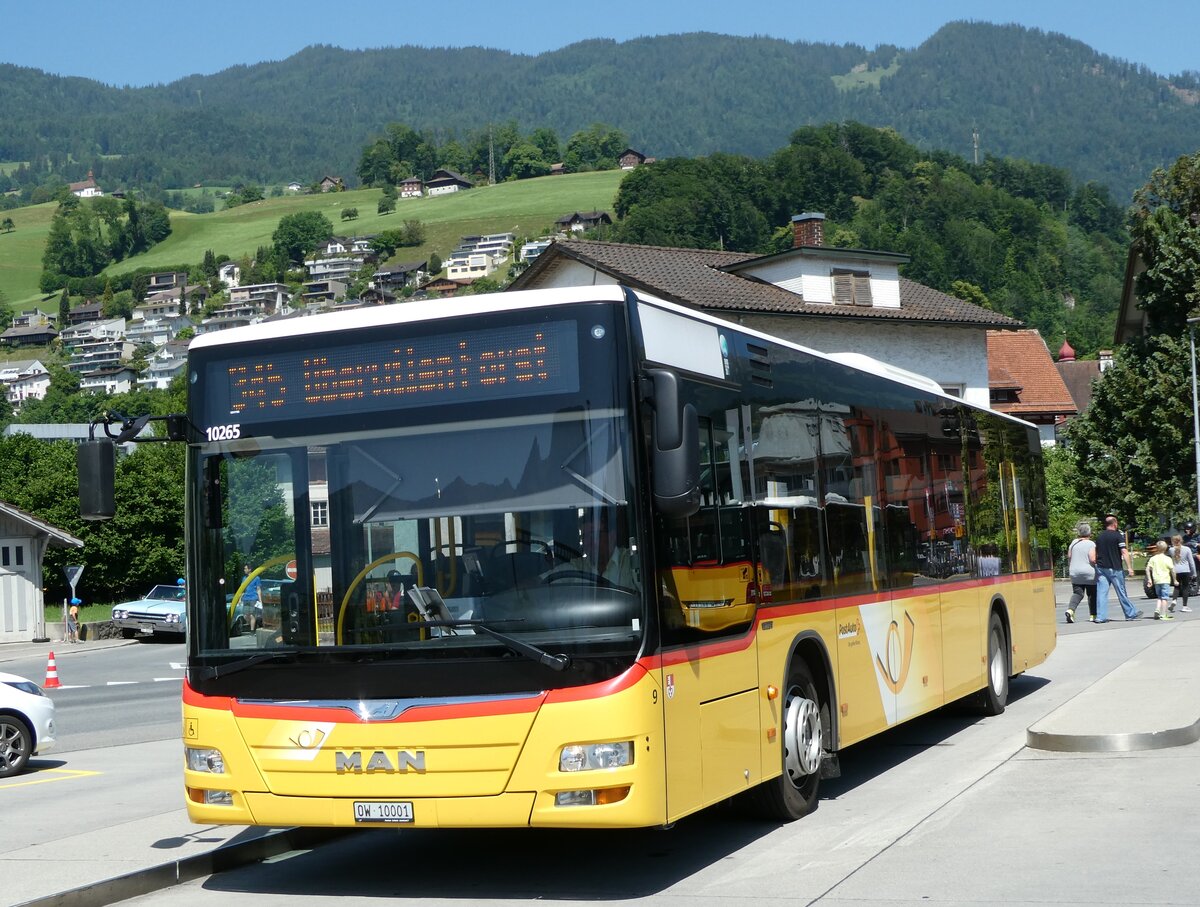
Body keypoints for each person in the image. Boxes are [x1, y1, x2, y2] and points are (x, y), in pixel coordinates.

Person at [1094, 514, 1143, 623]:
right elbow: (1124, 551)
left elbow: (1096, 552)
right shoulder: (1117, 536)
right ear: (1115, 524)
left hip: (1101, 568)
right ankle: (1130, 613)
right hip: (1115, 568)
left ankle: (1100, 616)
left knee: (1102, 593)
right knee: (1121, 592)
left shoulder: (1099, 536)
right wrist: (1129, 567)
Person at [1064, 523, 1098, 624]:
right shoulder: (1091, 544)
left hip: (1075, 572)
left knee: (1077, 593)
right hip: (1088, 573)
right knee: (1092, 594)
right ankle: (1093, 615)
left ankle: (1070, 610)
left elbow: (1069, 556)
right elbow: (1092, 559)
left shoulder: (1073, 543)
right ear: (1090, 533)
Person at [1146, 540, 1176, 620]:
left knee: (1159, 597)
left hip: (1156, 580)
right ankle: (1164, 614)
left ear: (1156, 548)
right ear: (1166, 548)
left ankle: (1157, 609)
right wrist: (1175, 580)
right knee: (1165, 598)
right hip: (1165, 580)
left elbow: (1147, 569)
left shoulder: (1153, 558)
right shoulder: (1168, 559)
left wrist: (1149, 579)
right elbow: (1172, 570)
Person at [1170, 534, 1196, 613]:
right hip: (1185, 570)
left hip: (1175, 571)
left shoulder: (1171, 550)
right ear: (1181, 540)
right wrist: (1194, 573)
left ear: (1173, 541)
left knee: (1176, 587)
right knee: (1185, 588)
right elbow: (1191, 562)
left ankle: (1174, 600)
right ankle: (1184, 606)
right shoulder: (1187, 549)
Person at [242, 564, 262, 631]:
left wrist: (260, 600)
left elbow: (258, 589)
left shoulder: (256, 578)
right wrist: (239, 599)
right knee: (245, 616)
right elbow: (242, 589)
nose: (244, 570)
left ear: (249, 569)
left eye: (245, 568)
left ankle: (252, 630)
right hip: (245, 598)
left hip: (253, 598)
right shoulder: (244, 578)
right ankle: (254, 624)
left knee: (252, 615)